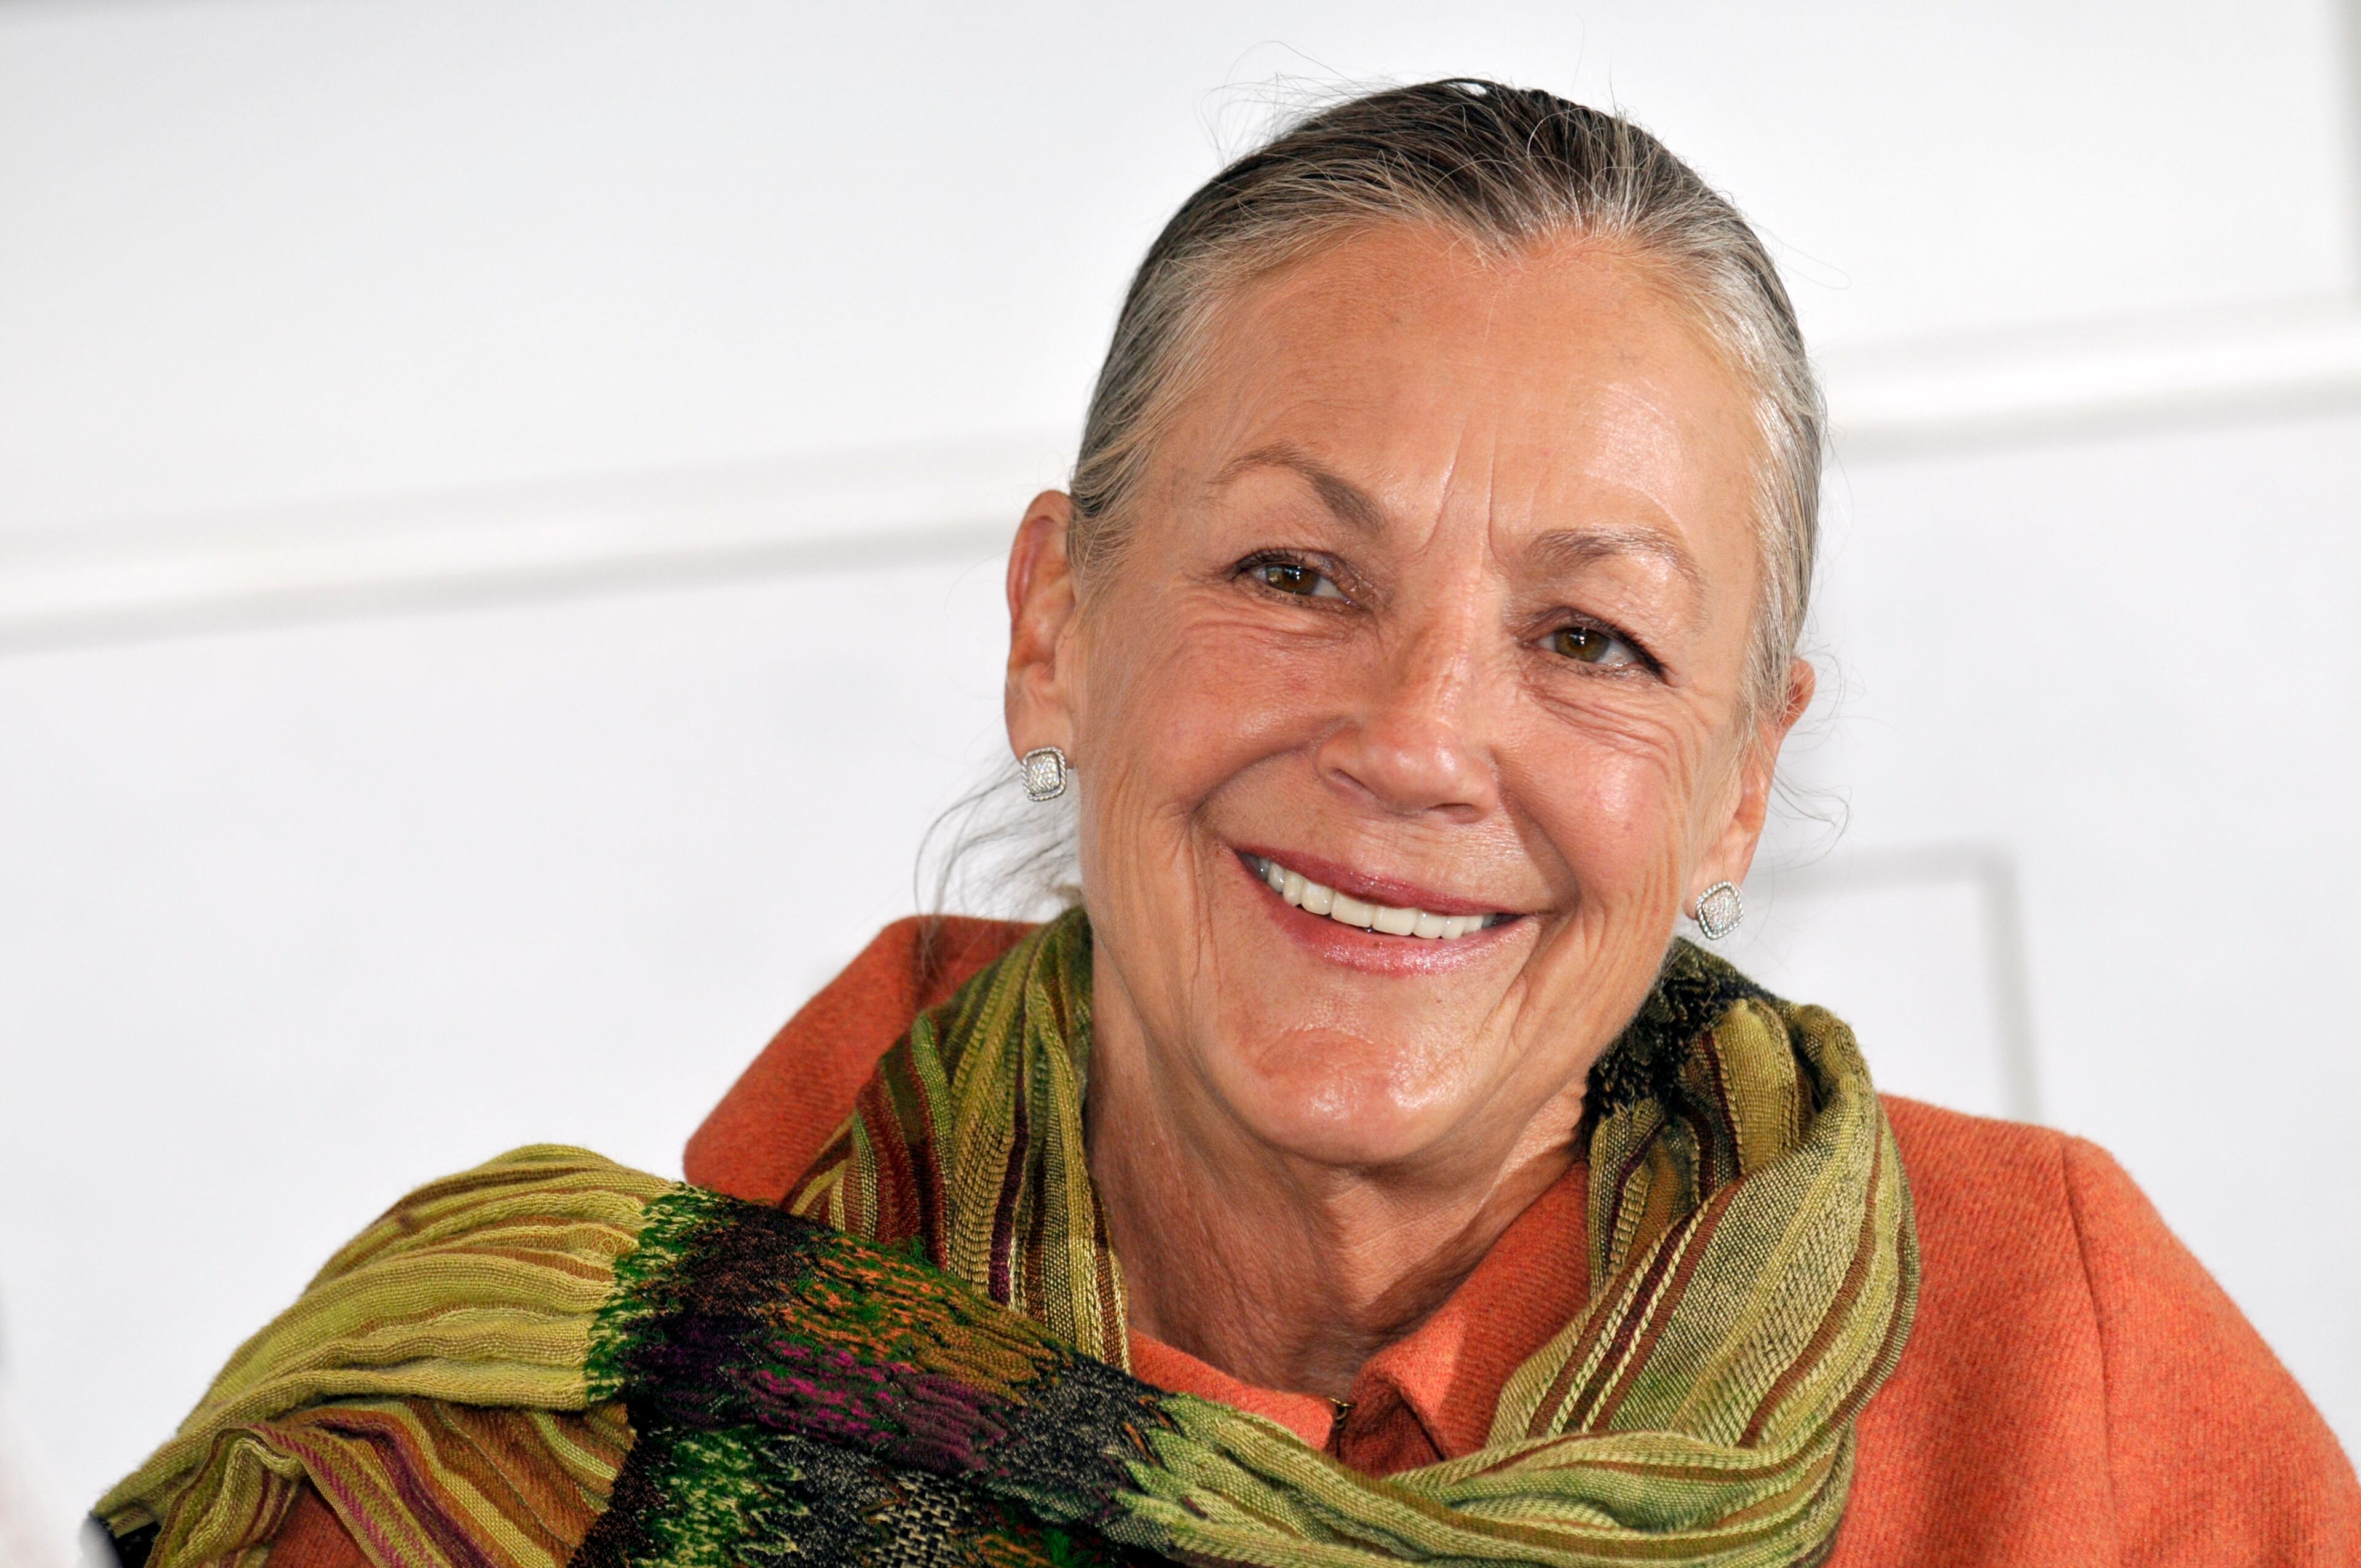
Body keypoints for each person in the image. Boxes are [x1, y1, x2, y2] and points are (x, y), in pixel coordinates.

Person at [98, 81, 2356, 1568]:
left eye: (1591, 640)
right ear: (1055, 620)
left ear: (1742, 774)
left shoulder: (2066, 1369)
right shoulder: (517, 1451)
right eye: (1295, 576)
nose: (1417, 742)